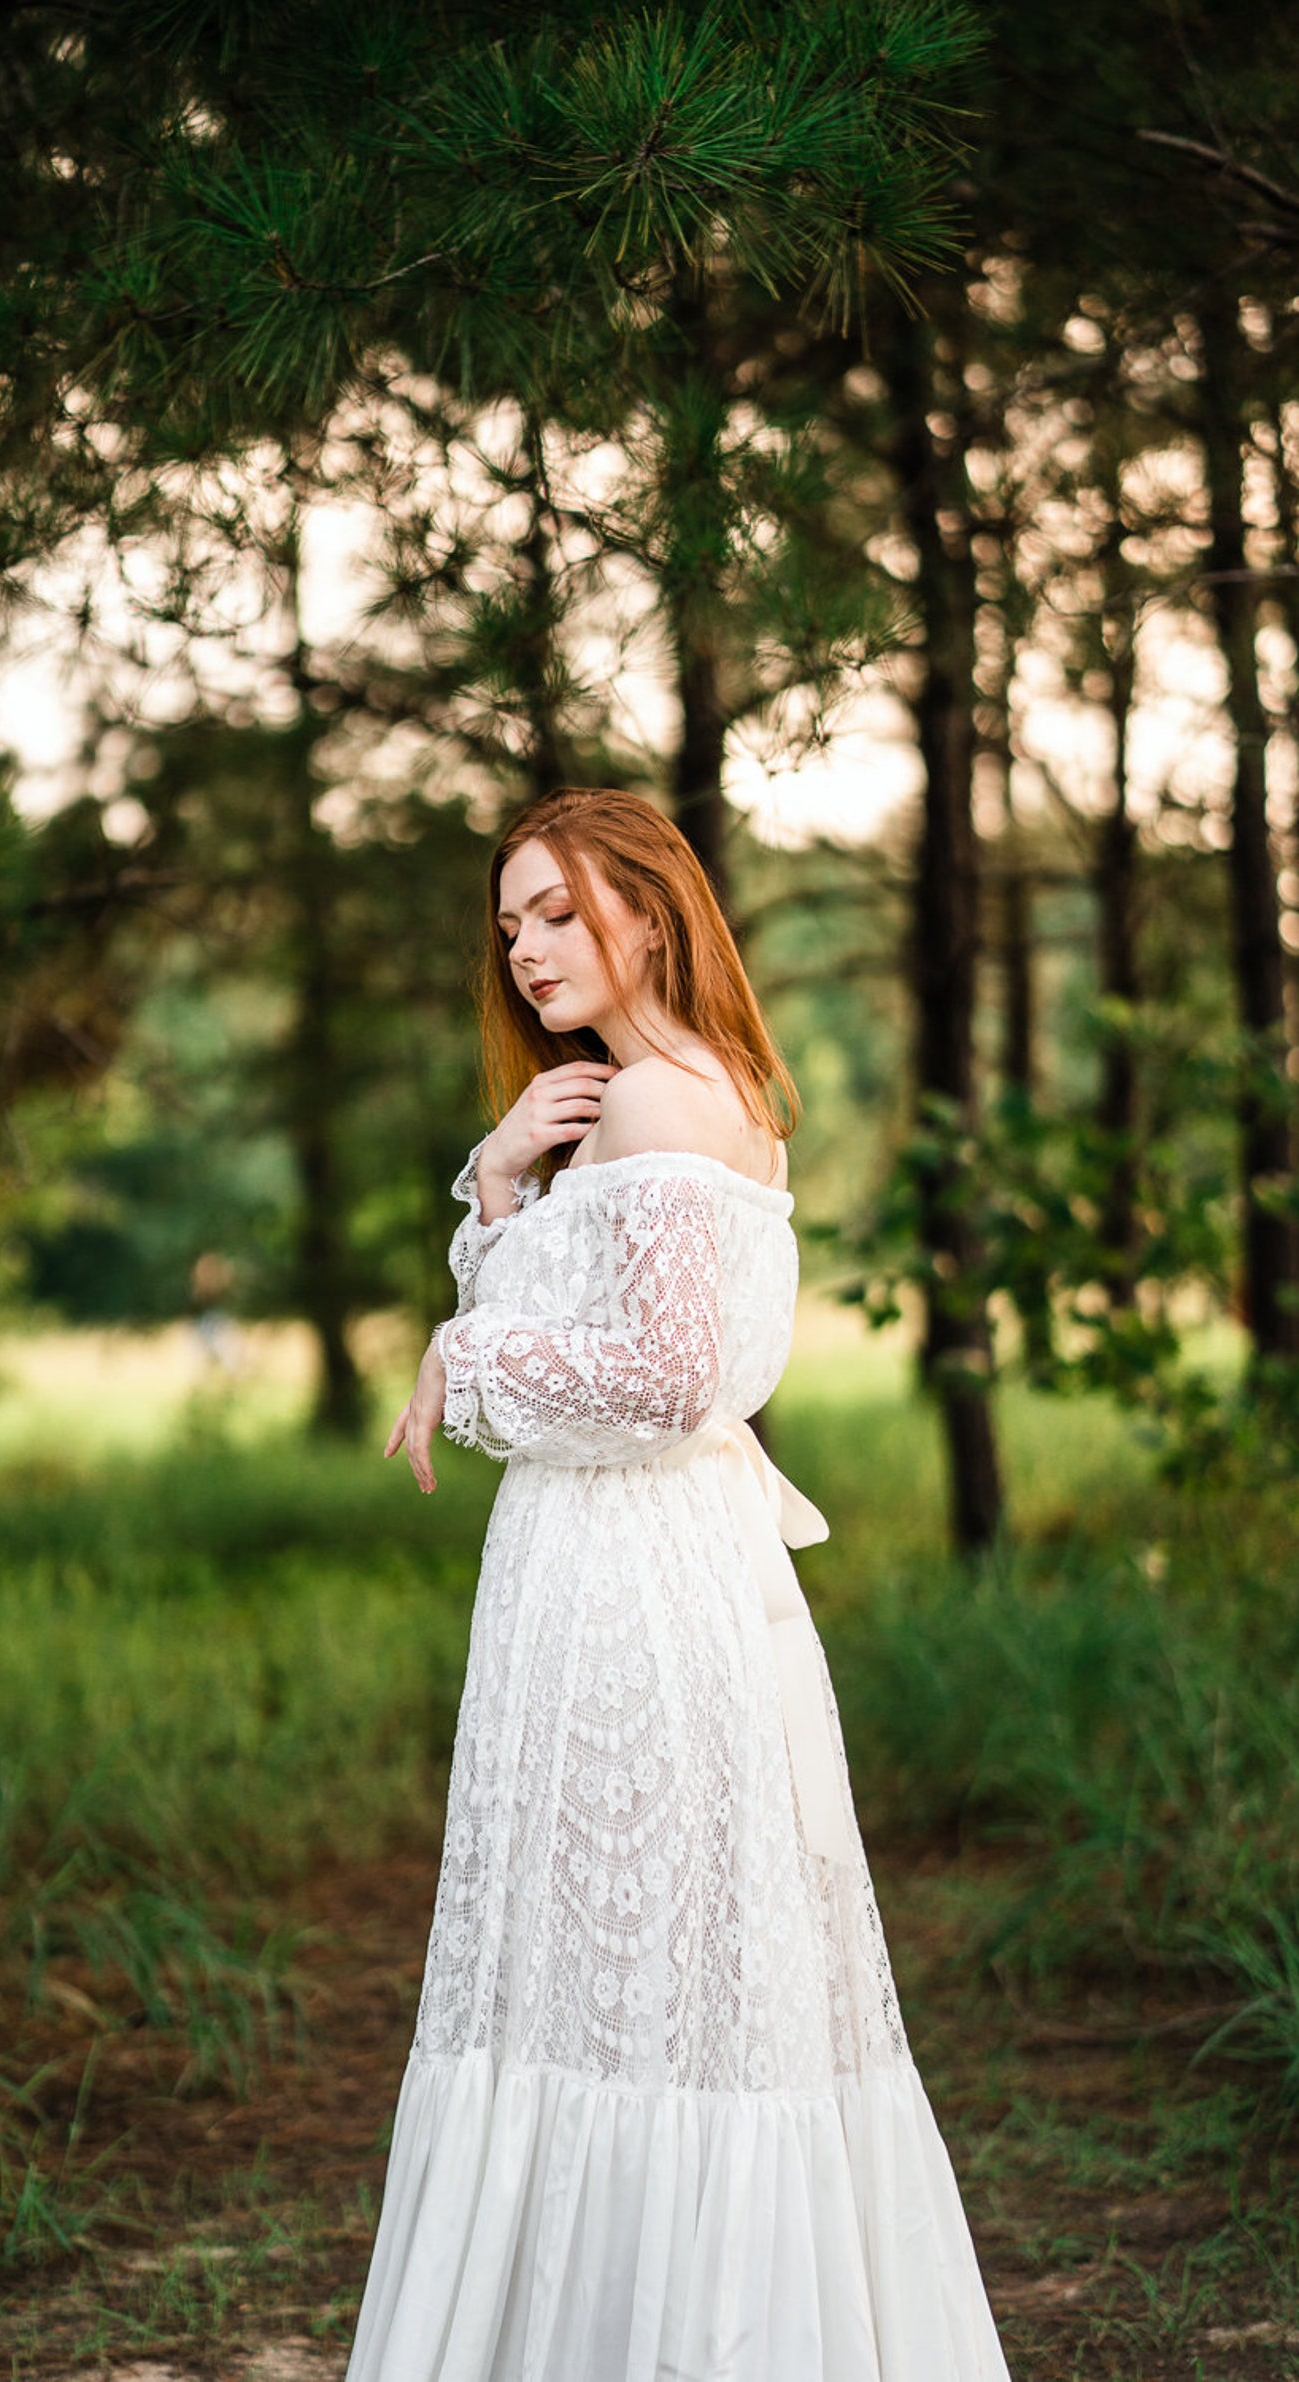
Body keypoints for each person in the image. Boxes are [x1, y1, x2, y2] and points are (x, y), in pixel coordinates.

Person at [349, 787, 1011, 2381]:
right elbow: (615, 1334)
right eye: (510, 923)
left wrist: (462, 1353)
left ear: (648, 913)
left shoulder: (658, 1100)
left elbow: (663, 1375)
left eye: (558, 910)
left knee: (626, 1983)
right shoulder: (690, 1091)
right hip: (637, 1567)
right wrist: (499, 1181)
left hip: (631, 1583)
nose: (527, 948)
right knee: (640, 1977)